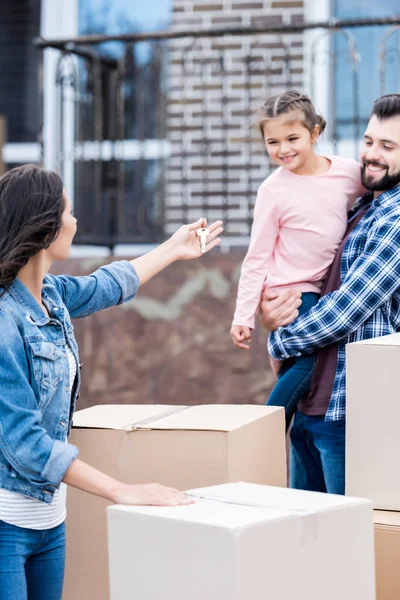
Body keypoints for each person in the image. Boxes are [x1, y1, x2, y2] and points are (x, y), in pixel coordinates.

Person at [0, 164, 223, 600]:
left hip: (50, 525)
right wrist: (122, 490)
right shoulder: (5, 321)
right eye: (69, 211)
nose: (76, 221)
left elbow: (110, 284)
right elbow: (23, 442)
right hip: (7, 525)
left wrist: (173, 248)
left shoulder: (53, 296)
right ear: (45, 227)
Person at [260, 93, 400, 494]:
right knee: (304, 544)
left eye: (388, 147)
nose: (372, 154)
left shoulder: (396, 218)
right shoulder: (360, 207)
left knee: (346, 546)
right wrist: (273, 310)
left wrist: (279, 340)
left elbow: (345, 310)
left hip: (347, 415)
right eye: (369, 141)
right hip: (309, 404)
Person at [230, 90, 364, 430]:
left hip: (326, 289)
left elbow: (380, 191)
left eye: (293, 138)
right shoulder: (273, 191)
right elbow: (257, 257)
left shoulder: (348, 173)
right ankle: (263, 429)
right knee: (311, 360)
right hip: (291, 292)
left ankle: (285, 439)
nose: (283, 149)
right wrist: (243, 314)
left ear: (315, 133)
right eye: (273, 142)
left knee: (301, 373)